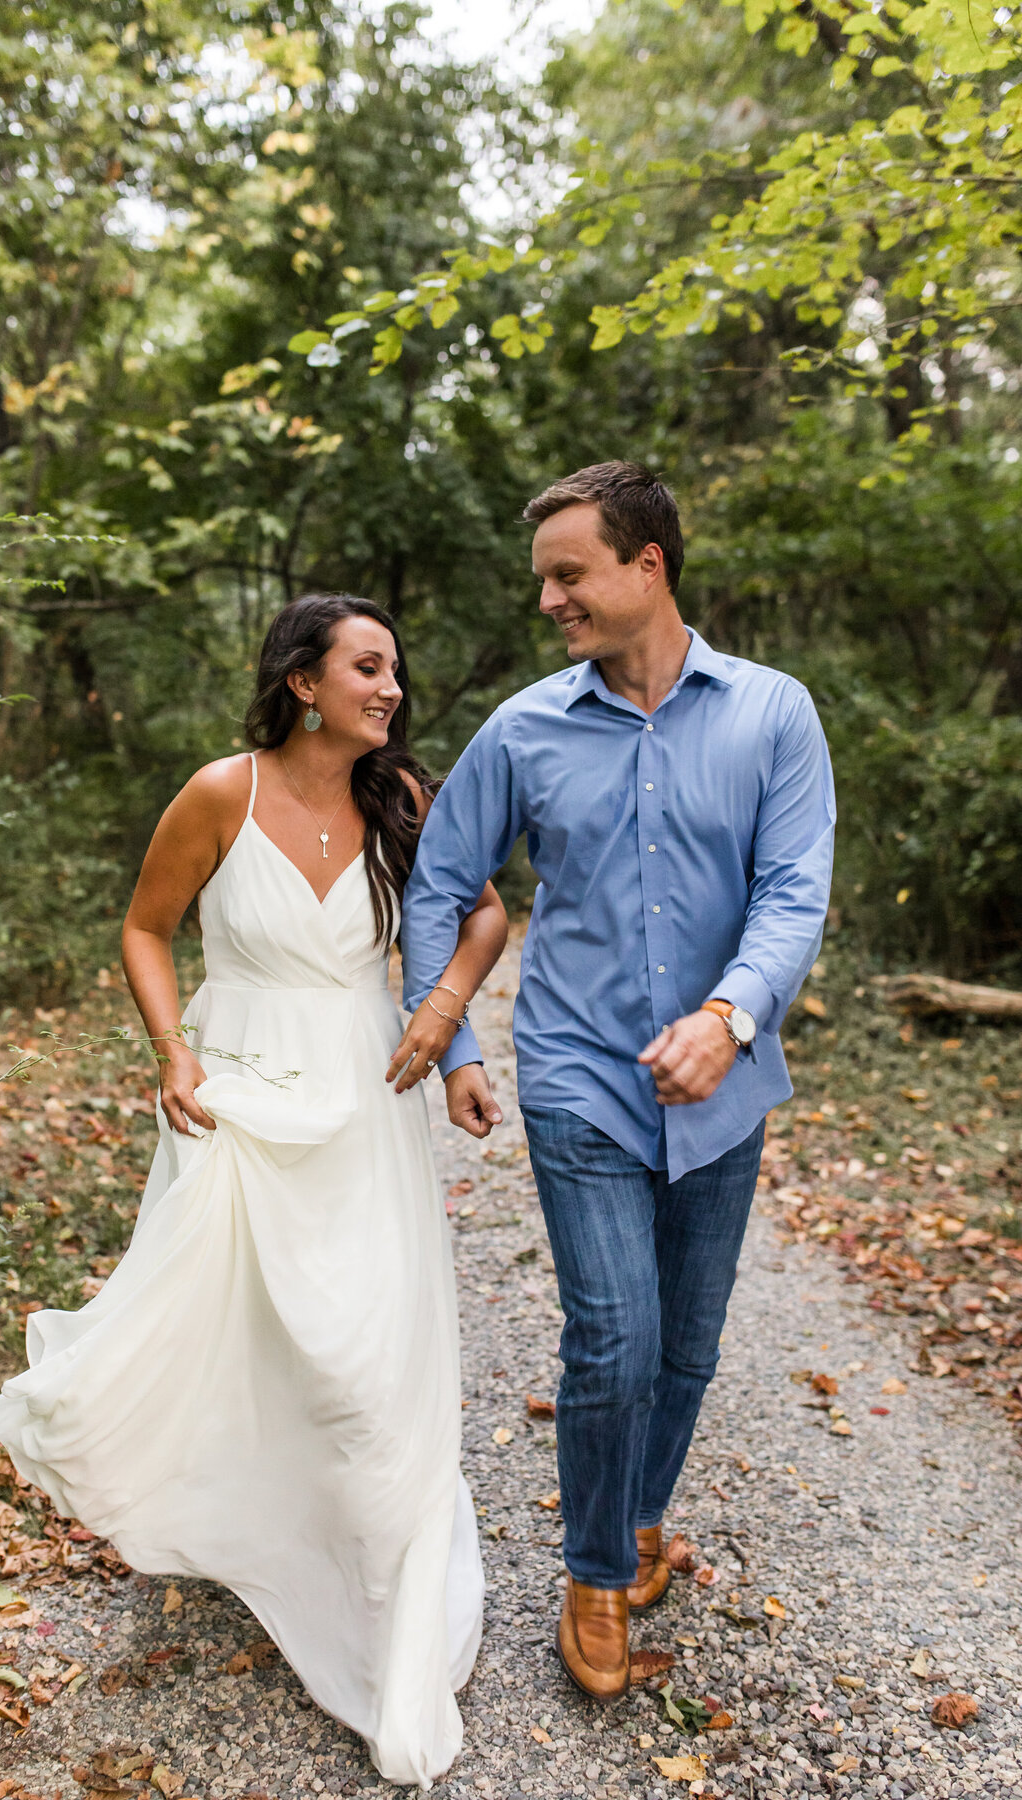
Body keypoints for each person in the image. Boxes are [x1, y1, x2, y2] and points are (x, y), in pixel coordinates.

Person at [0, 594, 509, 1788]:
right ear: (304, 682)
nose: (393, 689)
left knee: (370, 1350)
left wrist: (439, 1012)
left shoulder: (404, 801)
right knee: (254, 1333)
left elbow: (483, 915)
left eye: (397, 671)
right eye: (370, 668)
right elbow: (146, 930)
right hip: (241, 1101)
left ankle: (382, 1577)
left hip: (367, 1099)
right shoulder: (223, 792)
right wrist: (174, 1050)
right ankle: (259, 1525)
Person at [400, 461, 835, 1700]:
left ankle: (642, 1515)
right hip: (580, 1077)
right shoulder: (526, 728)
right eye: (545, 577)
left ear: (647, 566)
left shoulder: (772, 715)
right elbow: (441, 884)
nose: (550, 599)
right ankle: (594, 1572)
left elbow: (793, 889)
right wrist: (462, 1046)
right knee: (616, 1336)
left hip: (726, 1087)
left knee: (687, 1347)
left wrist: (731, 1016)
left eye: (568, 573)